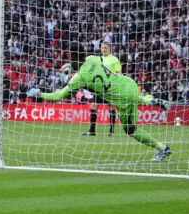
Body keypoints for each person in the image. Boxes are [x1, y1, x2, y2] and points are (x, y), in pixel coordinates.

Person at [35, 43, 172, 161]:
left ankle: (162, 148)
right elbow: (88, 64)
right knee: (134, 98)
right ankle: (151, 100)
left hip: (120, 98)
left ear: (74, 57)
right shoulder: (93, 58)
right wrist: (73, 65)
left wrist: (40, 93)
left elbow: (60, 95)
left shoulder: (79, 78)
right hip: (127, 83)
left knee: (131, 130)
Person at [82, 42, 122, 136]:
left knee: (111, 108)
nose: (103, 49)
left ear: (110, 48)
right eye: (102, 48)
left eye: (105, 48)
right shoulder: (98, 59)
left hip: (110, 88)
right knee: (93, 106)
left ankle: (111, 131)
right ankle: (92, 130)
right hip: (99, 88)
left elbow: (119, 72)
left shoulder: (114, 59)